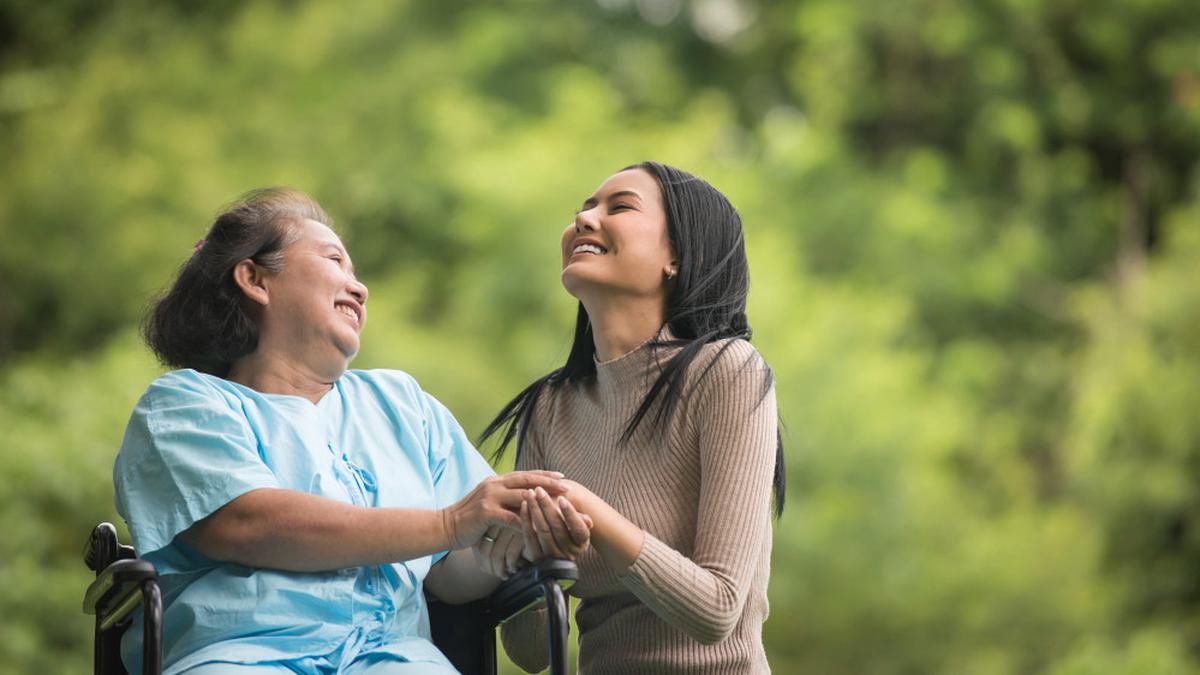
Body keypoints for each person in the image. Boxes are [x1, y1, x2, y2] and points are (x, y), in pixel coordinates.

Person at [113, 187, 572, 674]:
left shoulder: (403, 405)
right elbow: (250, 525)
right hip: (241, 654)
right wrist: (451, 523)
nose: (360, 289)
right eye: (334, 261)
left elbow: (450, 576)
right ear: (255, 279)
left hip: (393, 658)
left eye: (356, 273)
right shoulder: (184, 404)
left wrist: (516, 541)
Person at [478, 161, 786, 674]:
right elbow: (531, 656)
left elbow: (717, 610)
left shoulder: (728, 371)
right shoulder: (549, 407)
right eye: (583, 208)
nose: (584, 219)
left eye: (619, 207)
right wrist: (528, 558)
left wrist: (586, 511)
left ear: (678, 257)